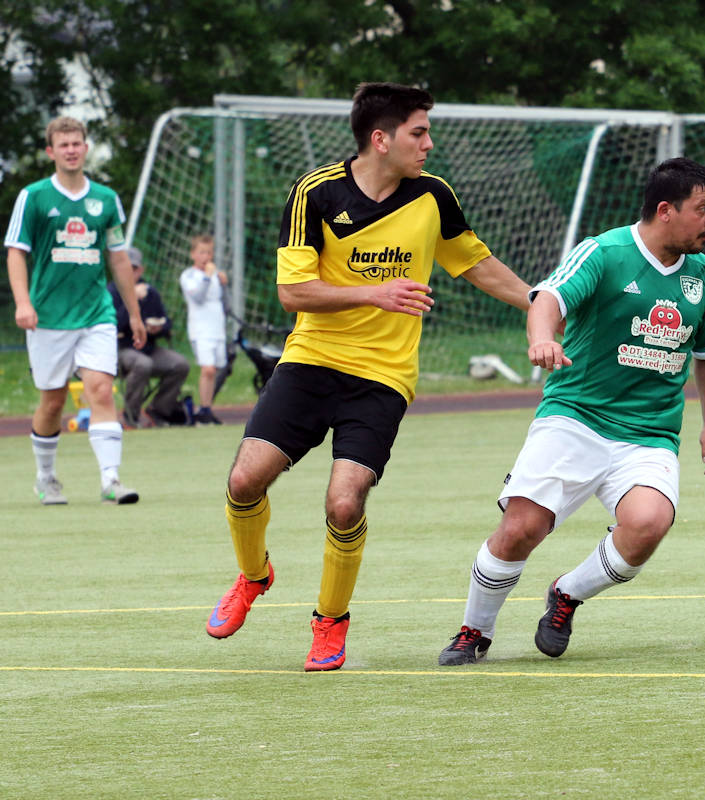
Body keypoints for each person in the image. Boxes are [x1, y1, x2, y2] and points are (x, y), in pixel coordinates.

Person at [204, 82, 533, 672]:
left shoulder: (434, 196)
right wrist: (375, 293)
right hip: (310, 360)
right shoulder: (316, 193)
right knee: (244, 480)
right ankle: (254, 576)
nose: (429, 143)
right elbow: (292, 291)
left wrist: (539, 302)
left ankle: (329, 623)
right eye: (419, 132)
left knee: (344, 503)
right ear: (380, 140)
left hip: (383, 376)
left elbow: (476, 264)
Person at [438, 157, 705, 666]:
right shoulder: (604, 252)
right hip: (576, 418)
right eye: (702, 209)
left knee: (649, 523)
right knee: (521, 529)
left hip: (649, 434)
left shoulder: (704, 275)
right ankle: (474, 632)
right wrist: (542, 338)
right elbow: (548, 297)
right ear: (666, 210)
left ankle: (567, 595)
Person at [4, 116, 143, 506]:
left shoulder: (106, 199)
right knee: (53, 401)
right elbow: (16, 252)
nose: (70, 149)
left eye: (77, 143)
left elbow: (117, 258)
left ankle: (111, 480)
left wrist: (131, 311)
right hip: (48, 316)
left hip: (95, 313)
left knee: (101, 389)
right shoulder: (33, 197)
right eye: (63, 144)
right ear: (51, 151)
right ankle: (46, 477)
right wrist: (23, 303)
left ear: (85, 148)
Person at [109, 247, 191, 428]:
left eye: (135, 268)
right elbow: (112, 326)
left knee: (180, 364)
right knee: (142, 364)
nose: (131, 272)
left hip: (148, 347)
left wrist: (158, 329)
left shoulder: (150, 292)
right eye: (127, 268)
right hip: (122, 349)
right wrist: (132, 300)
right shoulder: (112, 292)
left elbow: (167, 323)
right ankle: (131, 416)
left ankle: (159, 410)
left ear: (141, 270)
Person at [179, 233, 227, 424]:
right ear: (193, 254)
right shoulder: (189, 276)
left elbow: (224, 302)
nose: (206, 256)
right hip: (200, 329)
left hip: (217, 328)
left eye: (209, 252)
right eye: (201, 252)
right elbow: (197, 297)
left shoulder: (215, 275)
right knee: (207, 369)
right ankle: (203, 409)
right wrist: (207, 278)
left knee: (214, 370)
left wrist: (224, 284)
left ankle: (206, 409)